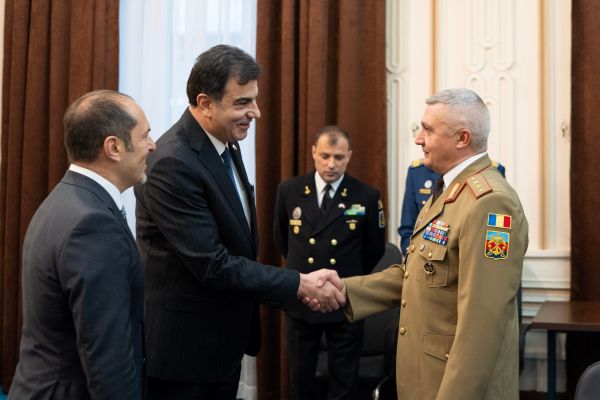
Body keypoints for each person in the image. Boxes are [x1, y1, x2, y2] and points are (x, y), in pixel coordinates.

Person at [134, 44, 345, 400]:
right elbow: (212, 264)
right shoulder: (173, 163)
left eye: (255, 100)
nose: (256, 112)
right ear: (205, 103)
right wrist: (299, 284)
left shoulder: (225, 142)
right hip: (185, 355)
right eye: (243, 103)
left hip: (220, 346)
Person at [341, 88, 529, 399]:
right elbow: (419, 273)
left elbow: (482, 324)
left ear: (462, 138)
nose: (418, 139)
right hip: (426, 379)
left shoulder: (490, 202)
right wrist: (344, 290)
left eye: (428, 130)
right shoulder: (449, 190)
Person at [9, 90, 156, 399]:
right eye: (145, 136)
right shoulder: (92, 224)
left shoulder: (66, 198)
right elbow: (107, 357)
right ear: (114, 147)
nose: (152, 145)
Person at [273, 126, 386, 400]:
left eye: (338, 157)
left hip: (344, 299)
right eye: (325, 156)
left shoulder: (366, 196)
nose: (331, 164)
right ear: (314, 153)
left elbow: (374, 249)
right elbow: (281, 240)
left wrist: (344, 284)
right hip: (302, 298)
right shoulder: (290, 191)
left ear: (349, 156)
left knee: (344, 382)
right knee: (299, 381)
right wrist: (307, 280)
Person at [398, 159, 506, 257]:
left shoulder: (492, 171)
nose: (420, 144)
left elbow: (492, 236)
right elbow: (407, 230)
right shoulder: (417, 172)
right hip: (423, 261)